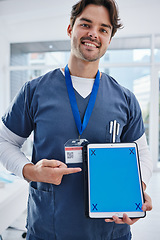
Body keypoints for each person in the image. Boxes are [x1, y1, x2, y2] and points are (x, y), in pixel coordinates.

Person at [0, 0, 153, 239]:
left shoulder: (125, 98)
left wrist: (136, 189)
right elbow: (4, 142)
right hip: (49, 229)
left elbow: (141, 154)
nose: (93, 33)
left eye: (103, 29)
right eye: (86, 24)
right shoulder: (34, 91)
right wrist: (31, 171)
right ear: (70, 28)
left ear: (109, 39)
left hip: (109, 231)